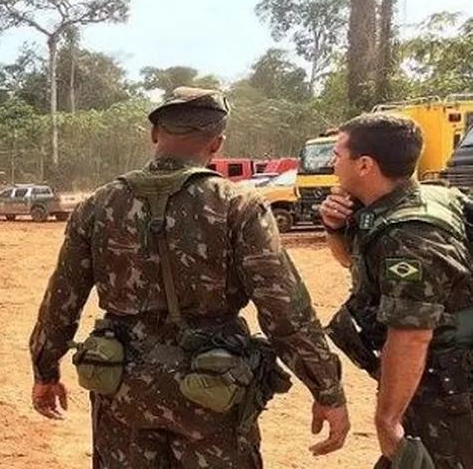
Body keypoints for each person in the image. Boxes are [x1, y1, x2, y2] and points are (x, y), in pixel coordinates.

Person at [28, 87, 350, 468]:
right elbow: (285, 310)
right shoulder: (238, 206)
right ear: (216, 144)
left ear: (153, 135)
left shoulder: (98, 205)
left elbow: (62, 300)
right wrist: (326, 388)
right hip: (212, 390)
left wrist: (45, 370)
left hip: (123, 390)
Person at [319, 113, 473, 468]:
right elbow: (350, 263)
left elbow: (411, 336)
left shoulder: (409, 235)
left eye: (338, 153)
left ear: (365, 165)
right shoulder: (410, 203)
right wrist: (334, 227)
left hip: (448, 398)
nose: (332, 162)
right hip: (433, 388)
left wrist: (386, 421)